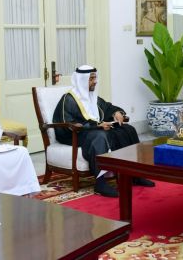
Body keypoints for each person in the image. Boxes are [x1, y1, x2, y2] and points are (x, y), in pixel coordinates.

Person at [53, 65, 154, 198]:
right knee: (99, 136)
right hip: (76, 134)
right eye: (91, 79)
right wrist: (97, 125)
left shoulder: (92, 96)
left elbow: (107, 107)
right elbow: (69, 125)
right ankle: (100, 183)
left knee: (127, 129)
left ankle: (135, 174)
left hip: (95, 130)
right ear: (82, 80)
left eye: (95, 78)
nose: (95, 81)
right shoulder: (69, 99)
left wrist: (117, 113)